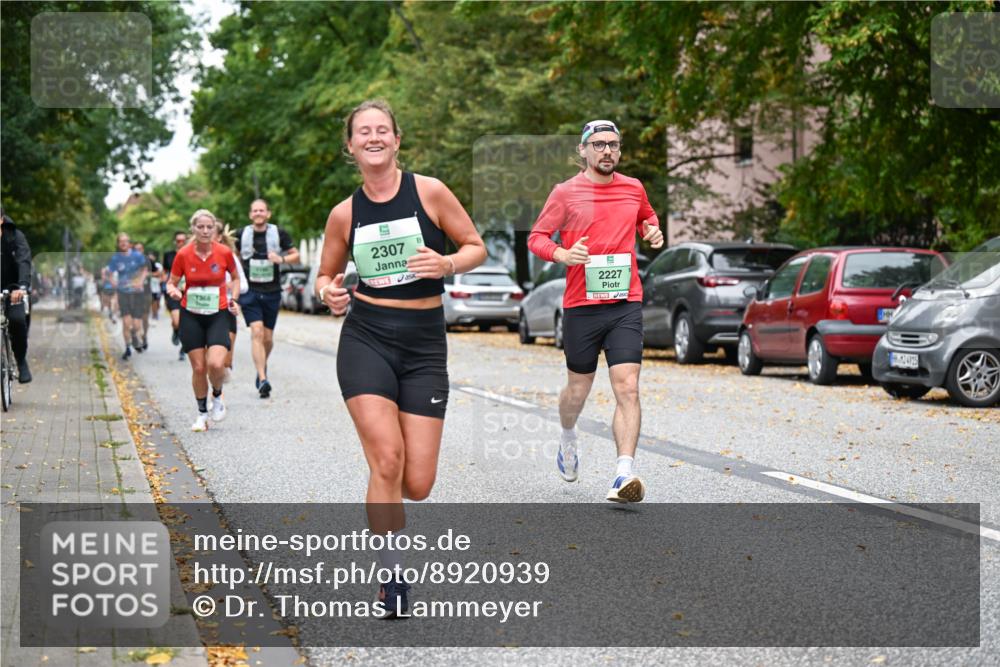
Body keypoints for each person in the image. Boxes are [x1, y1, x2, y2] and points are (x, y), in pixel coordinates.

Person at [316, 99, 487, 618]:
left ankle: (389, 517)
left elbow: (476, 245)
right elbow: (325, 275)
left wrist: (448, 262)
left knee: (418, 483)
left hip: (424, 344)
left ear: (396, 139)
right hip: (366, 336)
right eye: (362, 132)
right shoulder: (344, 213)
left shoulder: (429, 192)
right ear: (350, 146)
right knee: (386, 458)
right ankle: (391, 577)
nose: (373, 137)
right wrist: (329, 292)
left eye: (382, 130)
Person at [527, 119, 664, 503]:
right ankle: (568, 436)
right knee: (578, 390)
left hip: (624, 303)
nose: (608, 151)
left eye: (614, 144)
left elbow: (646, 218)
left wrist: (652, 231)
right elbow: (537, 238)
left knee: (628, 387)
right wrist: (562, 254)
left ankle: (624, 474)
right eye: (599, 144)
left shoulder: (633, 188)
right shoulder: (565, 193)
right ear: (584, 151)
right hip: (581, 307)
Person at [165, 210, 240, 432]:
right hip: (191, 314)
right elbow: (172, 282)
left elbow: (235, 278)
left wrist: (233, 299)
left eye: (210, 227)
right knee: (199, 368)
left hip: (218, 313)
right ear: (193, 229)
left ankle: (217, 396)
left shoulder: (224, 253)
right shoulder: (184, 255)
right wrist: (174, 292)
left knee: (216, 364)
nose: (205, 231)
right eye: (201, 227)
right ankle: (201, 414)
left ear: (215, 229)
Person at [235, 199, 299, 398]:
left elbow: (296, 255)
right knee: (257, 332)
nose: (258, 213)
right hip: (250, 291)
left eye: (262, 210)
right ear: (250, 214)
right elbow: (231, 256)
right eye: (255, 211)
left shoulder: (279, 233)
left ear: (268, 214)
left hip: (272, 291)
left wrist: (281, 259)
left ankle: (261, 366)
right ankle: (263, 379)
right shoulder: (240, 234)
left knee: (268, 338)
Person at [1, 212, 33, 383]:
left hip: (13, 289)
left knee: (17, 320)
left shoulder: (15, 236)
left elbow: (24, 261)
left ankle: (21, 361)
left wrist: (21, 286)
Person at [214, 221, 247, 378]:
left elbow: (243, 285)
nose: (206, 234)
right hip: (204, 311)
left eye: (211, 231)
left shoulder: (229, 256)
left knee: (225, 361)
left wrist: (228, 287)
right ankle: (216, 396)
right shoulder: (193, 256)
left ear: (219, 237)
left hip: (226, 309)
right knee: (211, 361)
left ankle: (217, 392)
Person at [107, 233, 147, 360]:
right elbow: (109, 273)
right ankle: (127, 348)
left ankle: (135, 335)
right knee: (126, 322)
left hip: (137, 292)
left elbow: (144, 269)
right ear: (118, 244)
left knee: (136, 325)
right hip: (123, 292)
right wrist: (114, 283)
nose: (124, 243)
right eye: (121, 241)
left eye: (126, 241)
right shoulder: (115, 258)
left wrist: (140, 281)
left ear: (129, 243)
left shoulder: (137, 256)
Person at [162, 231, 188, 361]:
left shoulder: (192, 254)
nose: (181, 243)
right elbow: (165, 273)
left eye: (183, 240)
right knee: (177, 321)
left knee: (186, 322)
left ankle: (183, 349)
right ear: (175, 242)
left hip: (188, 293)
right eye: (178, 241)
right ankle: (176, 331)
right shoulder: (168, 256)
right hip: (173, 292)